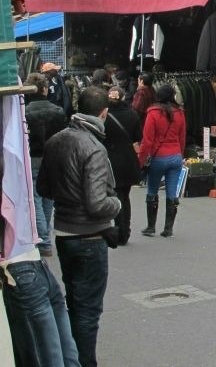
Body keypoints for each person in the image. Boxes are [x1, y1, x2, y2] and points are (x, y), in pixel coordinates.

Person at [38, 86, 122, 367]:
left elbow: (44, 189)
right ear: (104, 113)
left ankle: (73, 358)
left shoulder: (56, 140)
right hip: (90, 237)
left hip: (65, 234)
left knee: (74, 303)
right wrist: (116, 204)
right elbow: (97, 203)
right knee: (88, 311)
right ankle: (84, 362)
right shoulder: (93, 147)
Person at [24, 72, 67, 257]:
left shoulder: (24, 112)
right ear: (44, 89)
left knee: (35, 198)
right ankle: (45, 236)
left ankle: (43, 239)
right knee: (49, 196)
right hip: (53, 156)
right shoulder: (57, 111)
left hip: (33, 156)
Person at [138, 85, 187, 238]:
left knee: (152, 190)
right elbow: (182, 137)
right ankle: (168, 229)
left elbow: (147, 141)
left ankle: (151, 227)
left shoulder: (153, 113)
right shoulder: (180, 113)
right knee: (172, 192)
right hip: (175, 155)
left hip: (158, 157)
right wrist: (180, 154)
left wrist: (141, 161)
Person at [104, 86, 143, 245]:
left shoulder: (104, 116)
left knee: (115, 195)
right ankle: (125, 230)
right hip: (128, 159)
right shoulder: (132, 114)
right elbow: (138, 136)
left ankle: (120, 230)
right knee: (125, 196)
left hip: (110, 160)